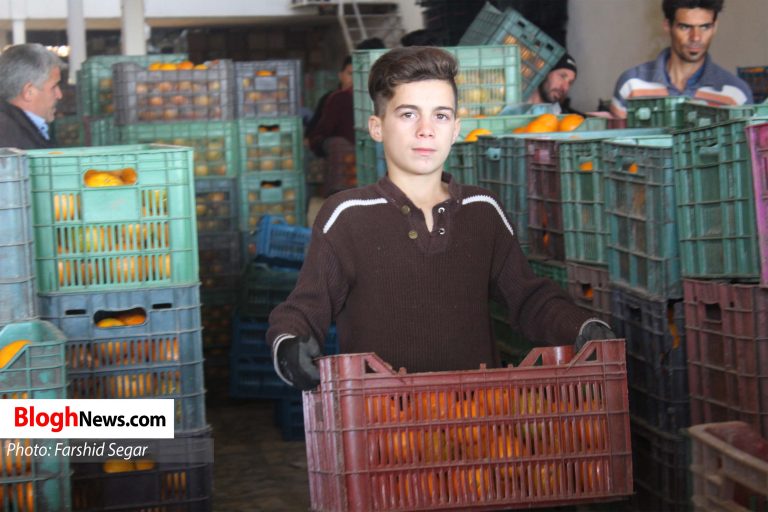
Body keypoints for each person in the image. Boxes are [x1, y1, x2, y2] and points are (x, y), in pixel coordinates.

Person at [268, 46, 615, 390]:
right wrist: (289, 344)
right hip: (381, 417)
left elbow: (527, 298)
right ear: (377, 127)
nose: (426, 130)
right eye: (408, 114)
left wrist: (580, 327)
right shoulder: (347, 216)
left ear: (455, 129)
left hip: (477, 415)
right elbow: (307, 305)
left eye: (441, 116)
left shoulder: (483, 209)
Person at [610, 0, 753, 118]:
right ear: (667, 26)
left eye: (705, 27)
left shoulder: (736, 94)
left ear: (715, 27)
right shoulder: (631, 85)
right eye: (685, 27)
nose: (696, 37)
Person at [0, 43, 63, 149]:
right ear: (29, 92)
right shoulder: (9, 135)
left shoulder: (12, 129)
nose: (59, 95)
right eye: (53, 87)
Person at [305, 55, 353, 145]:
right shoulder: (330, 99)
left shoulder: (368, 102)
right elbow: (313, 134)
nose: (354, 79)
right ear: (340, 75)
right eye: (350, 74)